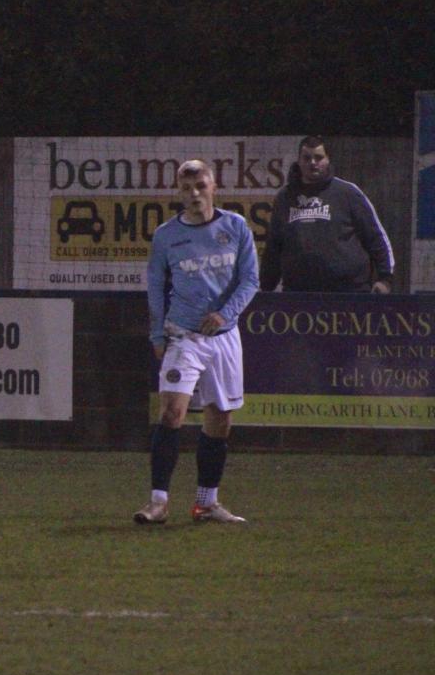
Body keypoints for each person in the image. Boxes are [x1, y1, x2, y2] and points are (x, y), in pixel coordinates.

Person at [136, 160, 258, 526]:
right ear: (179, 192)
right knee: (171, 413)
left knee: (219, 419)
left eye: (200, 186)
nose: (194, 194)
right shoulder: (166, 235)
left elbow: (250, 280)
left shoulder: (235, 226)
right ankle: (158, 502)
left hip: (224, 336)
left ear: (214, 187)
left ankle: (206, 503)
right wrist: (157, 334)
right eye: (187, 188)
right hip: (183, 336)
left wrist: (225, 314)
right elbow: (155, 286)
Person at [261, 136, 395, 293]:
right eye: (307, 158)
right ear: (298, 161)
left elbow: (376, 238)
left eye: (318, 157)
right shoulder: (285, 197)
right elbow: (273, 248)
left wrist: (385, 279)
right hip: (297, 294)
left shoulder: (348, 193)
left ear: (328, 160)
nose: (313, 163)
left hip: (349, 292)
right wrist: (266, 288)